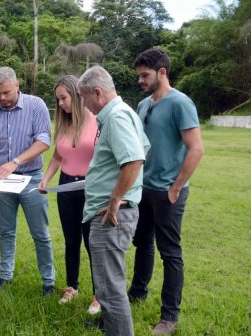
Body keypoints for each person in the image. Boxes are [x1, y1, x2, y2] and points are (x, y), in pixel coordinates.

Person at [128, 48, 204, 336]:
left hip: (168, 192)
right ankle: (137, 292)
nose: (140, 80)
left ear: (163, 72)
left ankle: (169, 318)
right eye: (138, 75)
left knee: (170, 252)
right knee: (142, 243)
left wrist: (176, 187)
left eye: (145, 75)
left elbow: (196, 149)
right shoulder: (143, 104)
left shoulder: (180, 103)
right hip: (143, 188)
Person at [0, 66, 55, 295]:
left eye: (7, 92)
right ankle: (5, 276)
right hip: (1, 180)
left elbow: (44, 140)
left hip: (32, 177)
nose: (2, 98)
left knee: (40, 233)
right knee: (6, 231)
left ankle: (48, 281)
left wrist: (16, 161)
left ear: (17, 86)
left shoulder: (36, 105)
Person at [77, 65, 150, 336]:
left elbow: (134, 159)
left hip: (111, 216)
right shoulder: (124, 112)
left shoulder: (117, 116)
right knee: (109, 286)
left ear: (97, 93)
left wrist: (116, 198)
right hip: (114, 212)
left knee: (110, 290)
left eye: (84, 98)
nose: (84, 105)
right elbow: (142, 148)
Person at [38, 75, 100, 312]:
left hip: (90, 188)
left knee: (92, 243)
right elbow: (57, 155)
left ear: (76, 95)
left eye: (63, 98)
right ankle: (72, 286)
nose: (60, 103)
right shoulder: (64, 123)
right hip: (65, 188)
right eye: (58, 99)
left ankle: (99, 294)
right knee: (71, 240)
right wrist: (46, 179)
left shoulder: (97, 120)